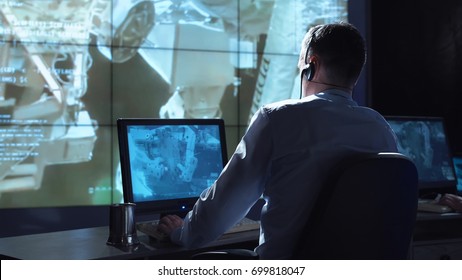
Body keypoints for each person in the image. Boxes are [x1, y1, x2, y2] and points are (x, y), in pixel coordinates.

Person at [157, 22, 398, 259]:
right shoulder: (380, 128)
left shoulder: (278, 118)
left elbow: (222, 208)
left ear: (311, 65)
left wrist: (182, 232)